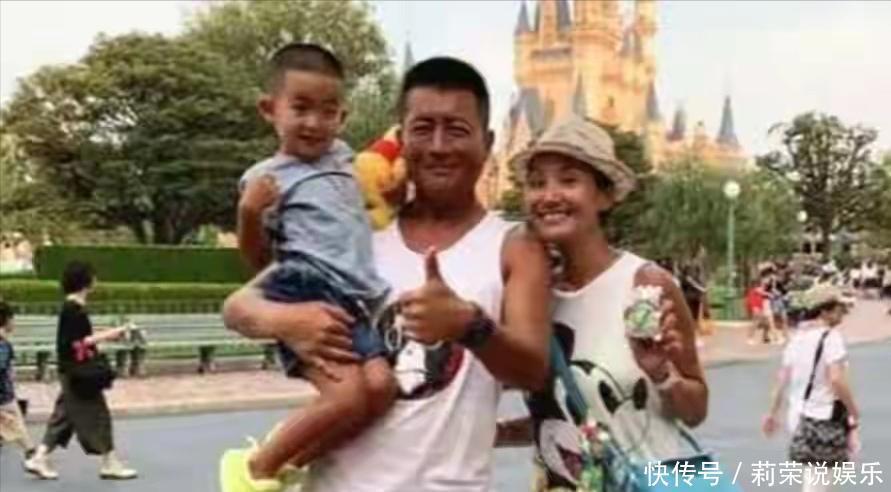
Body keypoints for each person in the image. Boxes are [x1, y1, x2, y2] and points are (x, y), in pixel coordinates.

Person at [222, 56, 551, 492]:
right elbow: (239, 306)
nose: (438, 146)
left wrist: (471, 325)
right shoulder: (356, 233)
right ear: (401, 137)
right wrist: (287, 321)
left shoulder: (514, 247)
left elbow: (532, 372)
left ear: (487, 142)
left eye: (456, 130)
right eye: (422, 128)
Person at [218, 42, 403, 492]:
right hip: (305, 287)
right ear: (270, 109)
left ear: (342, 116)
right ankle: (252, 470)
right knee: (348, 396)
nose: (314, 123)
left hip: (355, 297)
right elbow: (257, 261)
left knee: (381, 389)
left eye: (328, 111)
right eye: (300, 108)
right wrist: (248, 212)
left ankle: (288, 463)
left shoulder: (342, 156)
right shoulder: (265, 178)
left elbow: (383, 160)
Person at [490, 115, 710, 490]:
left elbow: (696, 410)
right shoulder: (531, 296)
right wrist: (488, 432)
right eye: (537, 182)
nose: (549, 195)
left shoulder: (645, 284)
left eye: (569, 180)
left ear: (605, 196)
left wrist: (662, 374)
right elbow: (568, 420)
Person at [25, 261, 137, 480]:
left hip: (71, 371)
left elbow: (80, 338)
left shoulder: (73, 308)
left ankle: (39, 457)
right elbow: (79, 342)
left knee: (63, 418)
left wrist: (107, 334)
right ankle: (110, 463)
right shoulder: (73, 309)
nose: (96, 280)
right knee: (99, 416)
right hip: (79, 373)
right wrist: (114, 333)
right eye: (93, 276)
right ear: (85, 282)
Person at [762, 284, 860, 492]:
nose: (842, 313)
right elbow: (836, 379)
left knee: (814, 475)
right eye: (839, 308)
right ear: (824, 311)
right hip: (822, 415)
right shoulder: (831, 338)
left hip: (798, 415)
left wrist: (771, 413)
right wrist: (853, 410)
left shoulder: (797, 339)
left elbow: (782, 379)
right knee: (819, 480)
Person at [0, 300, 37, 463]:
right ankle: (34, 456)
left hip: (6, 395)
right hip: (3, 397)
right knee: (18, 428)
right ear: (7, 320)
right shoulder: (2, 345)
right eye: (13, 319)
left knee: (17, 427)